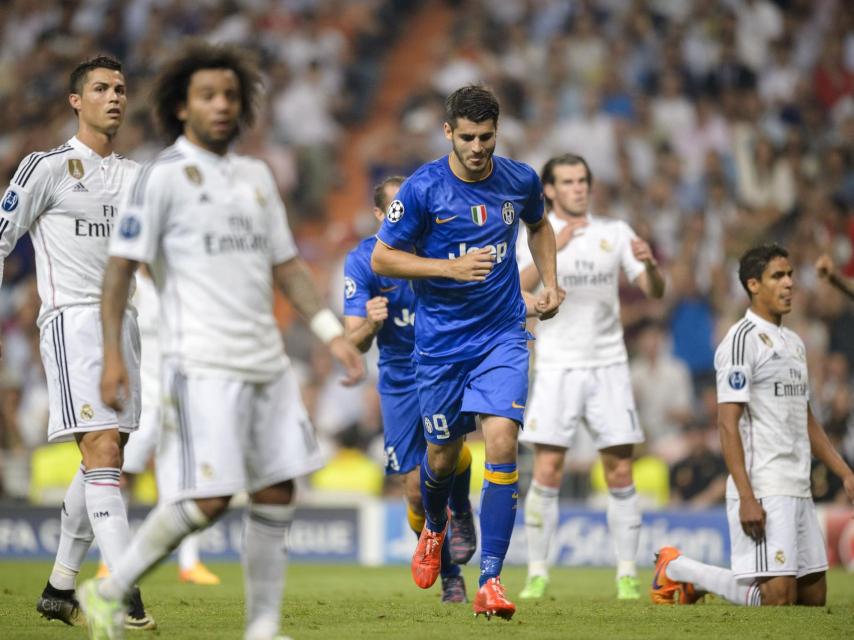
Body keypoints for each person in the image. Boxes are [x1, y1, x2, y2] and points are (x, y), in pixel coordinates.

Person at [78, 41, 364, 640]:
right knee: (209, 500)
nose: (222, 106)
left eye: (231, 95)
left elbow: (286, 266)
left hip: (267, 361)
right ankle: (106, 590)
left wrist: (329, 332)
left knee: (278, 489)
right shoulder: (161, 179)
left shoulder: (257, 177)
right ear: (182, 106)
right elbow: (118, 272)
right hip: (200, 364)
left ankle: (262, 626)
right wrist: (112, 356)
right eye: (208, 95)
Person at [371, 84, 561, 620]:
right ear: (448, 132)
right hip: (440, 347)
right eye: (469, 137)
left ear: (498, 132)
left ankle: (492, 580)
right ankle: (435, 526)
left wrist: (549, 281)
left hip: (501, 334)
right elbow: (384, 259)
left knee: (502, 441)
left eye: (488, 137)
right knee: (442, 457)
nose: (478, 147)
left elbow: (540, 225)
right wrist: (447, 268)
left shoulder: (519, 179)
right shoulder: (423, 189)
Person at [0, 55, 153, 629]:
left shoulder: (138, 176)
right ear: (75, 100)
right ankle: (124, 592)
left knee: (101, 459)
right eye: (100, 88)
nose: (114, 96)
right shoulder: (46, 167)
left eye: (120, 88)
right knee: (105, 453)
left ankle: (60, 587)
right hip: (72, 323)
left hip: (124, 326)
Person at [652, 244, 854, 606]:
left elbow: (807, 420)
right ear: (753, 284)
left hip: (798, 482)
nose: (790, 283)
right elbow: (727, 424)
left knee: (812, 599)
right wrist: (746, 495)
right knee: (777, 598)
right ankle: (680, 569)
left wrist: (844, 473)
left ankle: (682, 571)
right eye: (778, 276)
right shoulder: (741, 341)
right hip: (764, 483)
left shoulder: (794, 343)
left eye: (790, 274)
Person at [517, 153, 665, 601]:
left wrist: (652, 266)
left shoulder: (614, 233)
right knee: (547, 469)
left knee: (620, 470)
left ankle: (626, 574)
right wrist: (553, 248)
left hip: (608, 365)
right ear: (549, 190)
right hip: (557, 364)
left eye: (583, 180)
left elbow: (654, 292)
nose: (578, 188)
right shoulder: (534, 235)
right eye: (568, 181)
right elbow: (510, 287)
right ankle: (537, 573)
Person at [343, 176, 476, 604]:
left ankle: (462, 511)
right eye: (397, 207)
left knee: (450, 453)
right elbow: (354, 341)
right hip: (399, 379)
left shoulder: (439, 245)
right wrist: (371, 323)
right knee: (416, 488)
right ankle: (449, 574)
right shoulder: (364, 260)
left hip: (443, 365)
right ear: (381, 215)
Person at [117, 267, 220, 585]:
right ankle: (113, 559)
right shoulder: (133, 287)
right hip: (142, 401)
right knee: (122, 478)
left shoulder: (181, 287)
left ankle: (189, 563)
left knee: (184, 482)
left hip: (176, 403)